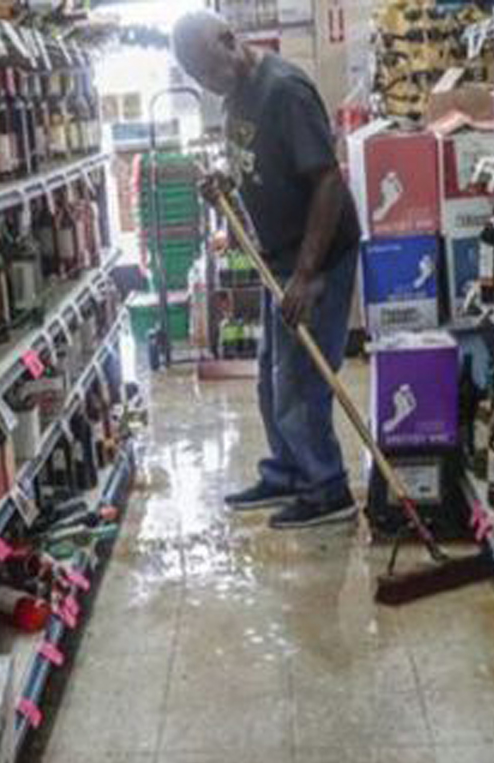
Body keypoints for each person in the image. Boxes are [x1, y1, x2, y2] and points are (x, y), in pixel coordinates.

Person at [172, 10, 363, 529]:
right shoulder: (236, 91)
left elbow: (327, 182)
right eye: (200, 80)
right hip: (279, 256)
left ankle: (327, 489)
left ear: (231, 41)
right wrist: (226, 186)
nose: (211, 85)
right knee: (269, 378)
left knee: (301, 379)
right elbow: (256, 162)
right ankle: (287, 472)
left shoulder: (285, 91)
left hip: (317, 256)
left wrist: (307, 273)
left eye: (212, 72)